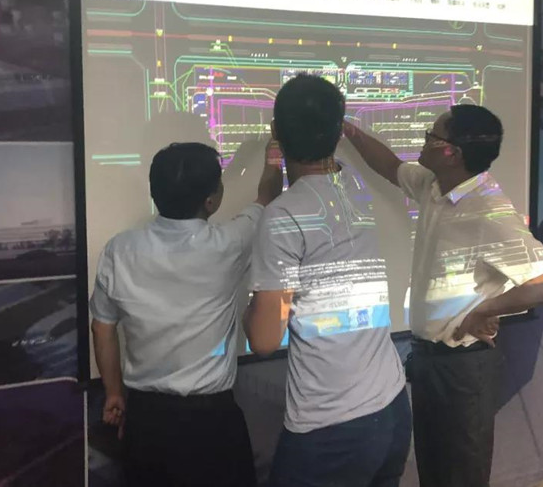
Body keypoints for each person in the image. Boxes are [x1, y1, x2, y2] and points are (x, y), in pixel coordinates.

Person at [343, 105, 543, 487]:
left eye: (432, 136)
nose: (424, 141)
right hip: (431, 360)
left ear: (452, 153)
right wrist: (347, 130)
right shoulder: (436, 187)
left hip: (462, 368)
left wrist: (484, 310)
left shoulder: (487, 210)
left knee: (461, 474)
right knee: (434, 470)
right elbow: (391, 167)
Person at [244, 74, 411, 487]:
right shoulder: (352, 182)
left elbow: (264, 339)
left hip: (330, 428)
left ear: (276, 131)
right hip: (391, 406)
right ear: (338, 134)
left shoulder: (282, 217)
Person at [90, 141, 283, 487]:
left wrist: (114, 392)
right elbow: (267, 195)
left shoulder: (119, 250)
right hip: (212, 425)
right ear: (211, 201)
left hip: (146, 423)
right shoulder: (230, 243)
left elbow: (102, 327)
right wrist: (274, 151)